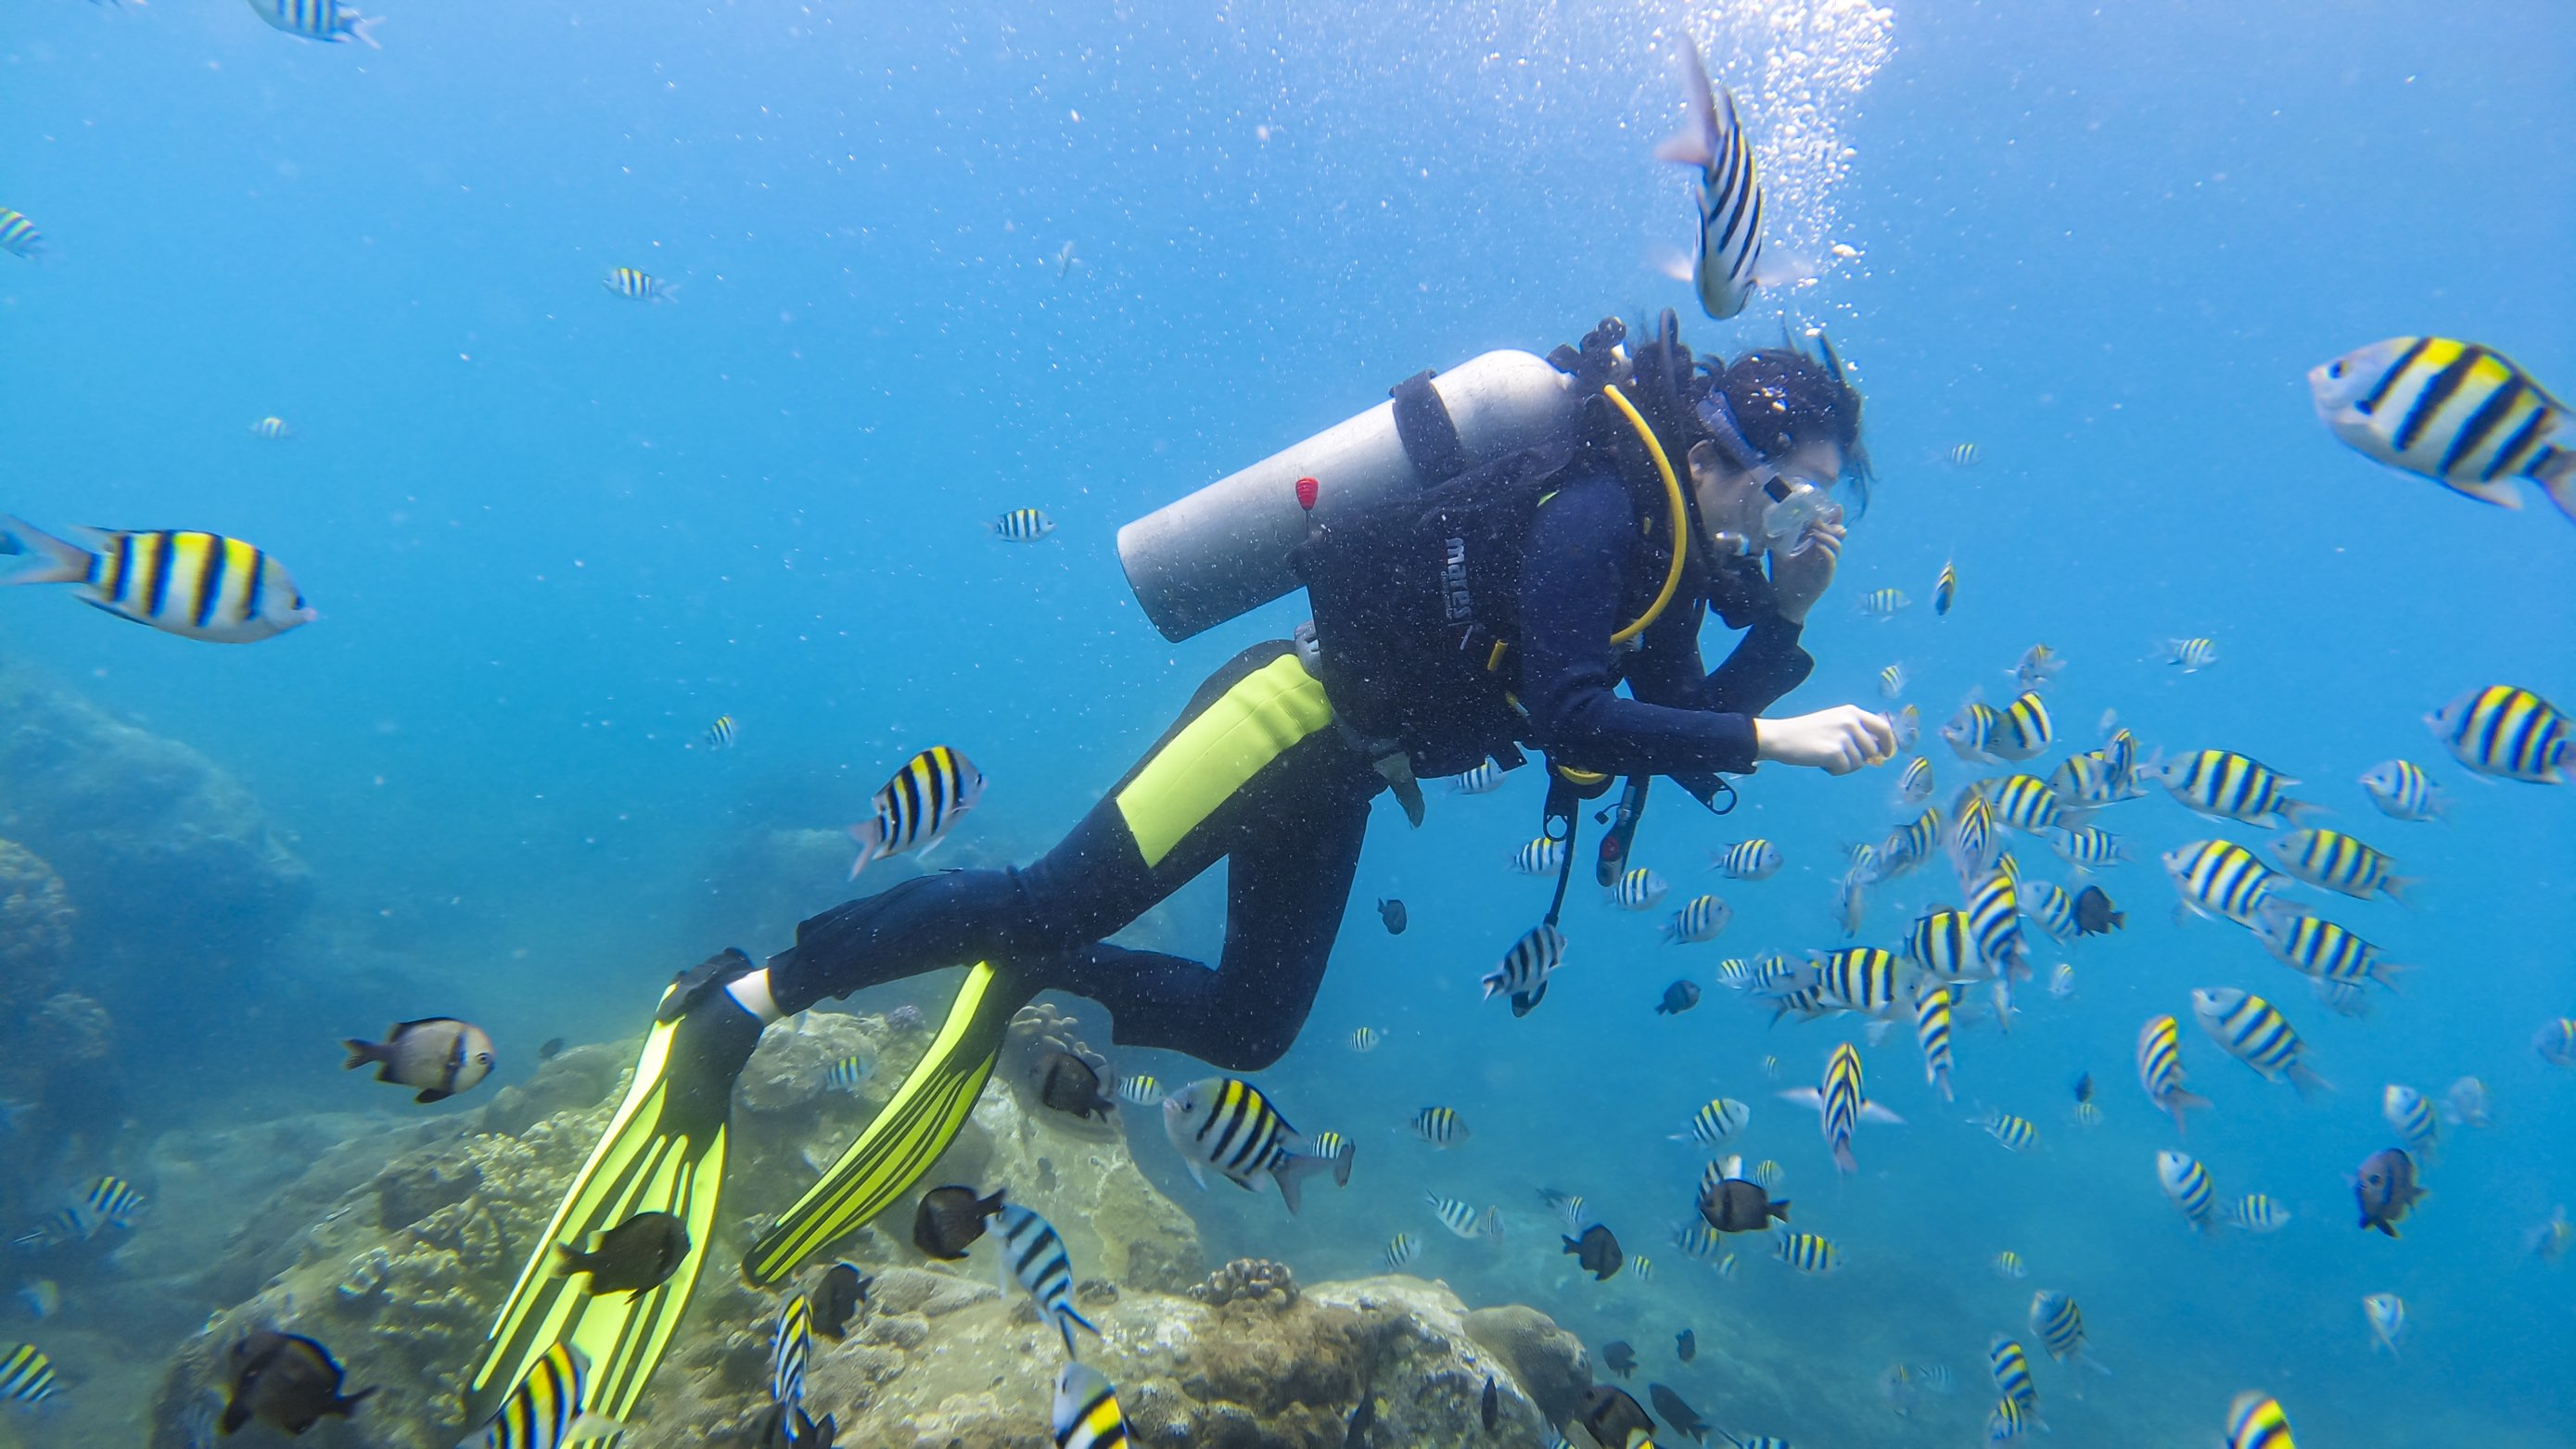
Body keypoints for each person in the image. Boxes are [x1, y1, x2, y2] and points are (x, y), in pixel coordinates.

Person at [460, 314, 1897, 1427]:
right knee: (1033, 887)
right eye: (1783, 494)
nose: (1784, 519)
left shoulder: (1651, 547)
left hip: (1349, 769)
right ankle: (738, 1003)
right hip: (1279, 715)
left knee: (1251, 1022)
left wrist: (1777, 622)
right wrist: (1774, 724)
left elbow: (1635, 737)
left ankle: (1035, 969)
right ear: (1714, 446)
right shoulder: (1598, 512)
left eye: (1807, 505)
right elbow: (1590, 719)